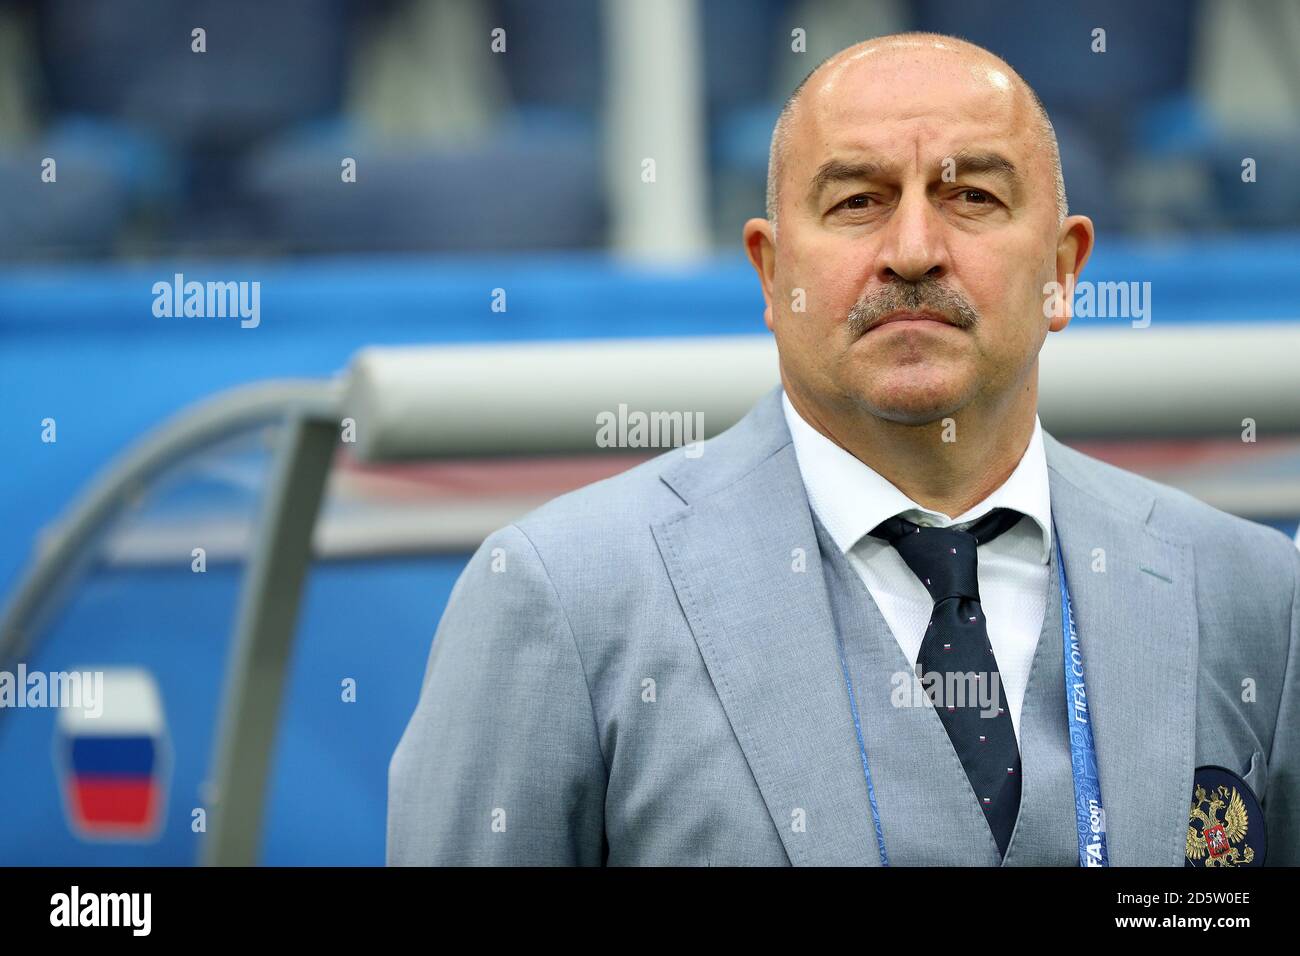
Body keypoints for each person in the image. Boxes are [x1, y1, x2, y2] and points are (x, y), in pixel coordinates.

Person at [388, 33, 1297, 866]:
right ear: (771, 272)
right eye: (857, 201)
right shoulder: (565, 600)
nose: (912, 251)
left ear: (1063, 273)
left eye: (971, 195)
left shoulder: (1250, 596)